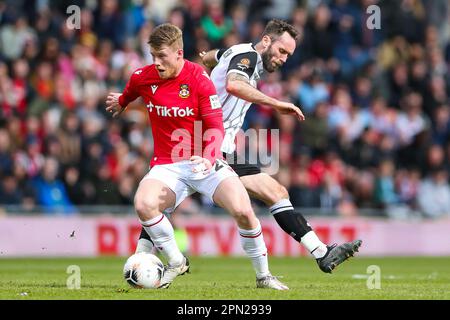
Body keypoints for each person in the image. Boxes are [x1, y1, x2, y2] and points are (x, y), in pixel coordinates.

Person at [106, 23, 288, 290]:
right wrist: (120, 102)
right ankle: (177, 261)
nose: (156, 62)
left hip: (204, 160)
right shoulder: (142, 77)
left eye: (162, 56)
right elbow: (131, 91)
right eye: (153, 56)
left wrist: (208, 156)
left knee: (243, 211)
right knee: (143, 204)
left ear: (179, 53)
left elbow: (215, 125)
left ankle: (264, 276)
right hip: (167, 164)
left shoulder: (199, 79)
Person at [196, 19, 362, 272]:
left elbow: (210, 56)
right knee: (169, 199)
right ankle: (152, 253)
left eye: (289, 55)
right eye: (281, 51)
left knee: (277, 192)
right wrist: (276, 104)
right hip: (206, 144)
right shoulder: (249, 57)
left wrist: (207, 65)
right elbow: (234, 84)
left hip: (221, 147)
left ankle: (322, 252)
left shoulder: (237, 52)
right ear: (265, 41)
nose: (284, 59)